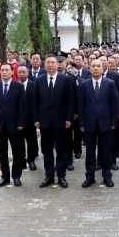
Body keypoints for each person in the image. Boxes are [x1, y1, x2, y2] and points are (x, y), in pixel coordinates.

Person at [34, 55, 75, 188]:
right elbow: (35, 102)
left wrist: (69, 118)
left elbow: (70, 101)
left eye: (53, 63)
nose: (51, 65)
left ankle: (61, 176)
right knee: (46, 150)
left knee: (61, 150)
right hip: (45, 122)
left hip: (61, 122)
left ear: (58, 65)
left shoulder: (66, 80)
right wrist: (36, 119)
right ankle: (49, 175)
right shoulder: (39, 81)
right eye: (48, 63)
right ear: (45, 65)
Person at [78, 58, 119, 188]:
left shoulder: (110, 83)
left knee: (106, 151)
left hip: (106, 124)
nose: (96, 68)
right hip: (89, 124)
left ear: (103, 68)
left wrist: (113, 122)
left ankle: (107, 176)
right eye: (93, 66)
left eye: (98, 66)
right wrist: (82, 123)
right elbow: (81, 105)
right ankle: (89, 177)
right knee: (89, 152)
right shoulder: (84, 84)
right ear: (89, 68)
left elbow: (115, 104)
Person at [0, 63, 26, 187]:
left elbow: (22, 106)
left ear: (12, 72)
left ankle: (16, 176)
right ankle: (5, 177)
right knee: (3, 153)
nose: (4, 72)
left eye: (7, 70)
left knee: (17, 152)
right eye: (2, 70)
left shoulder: (18, 86)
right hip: (0, 126)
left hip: (15, 125)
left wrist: (21, 123)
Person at [16, 65, 39, 171]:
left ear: (28, 73)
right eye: (19, 72)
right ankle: (22, 161)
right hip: (17, 121)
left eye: (23, 72)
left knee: (32, 142)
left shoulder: (34, 85)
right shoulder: (14, 86)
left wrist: (36, 120)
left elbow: (36, 104)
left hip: (31, 120)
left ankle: (31, 160)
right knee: (19, 143)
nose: (21, 74)